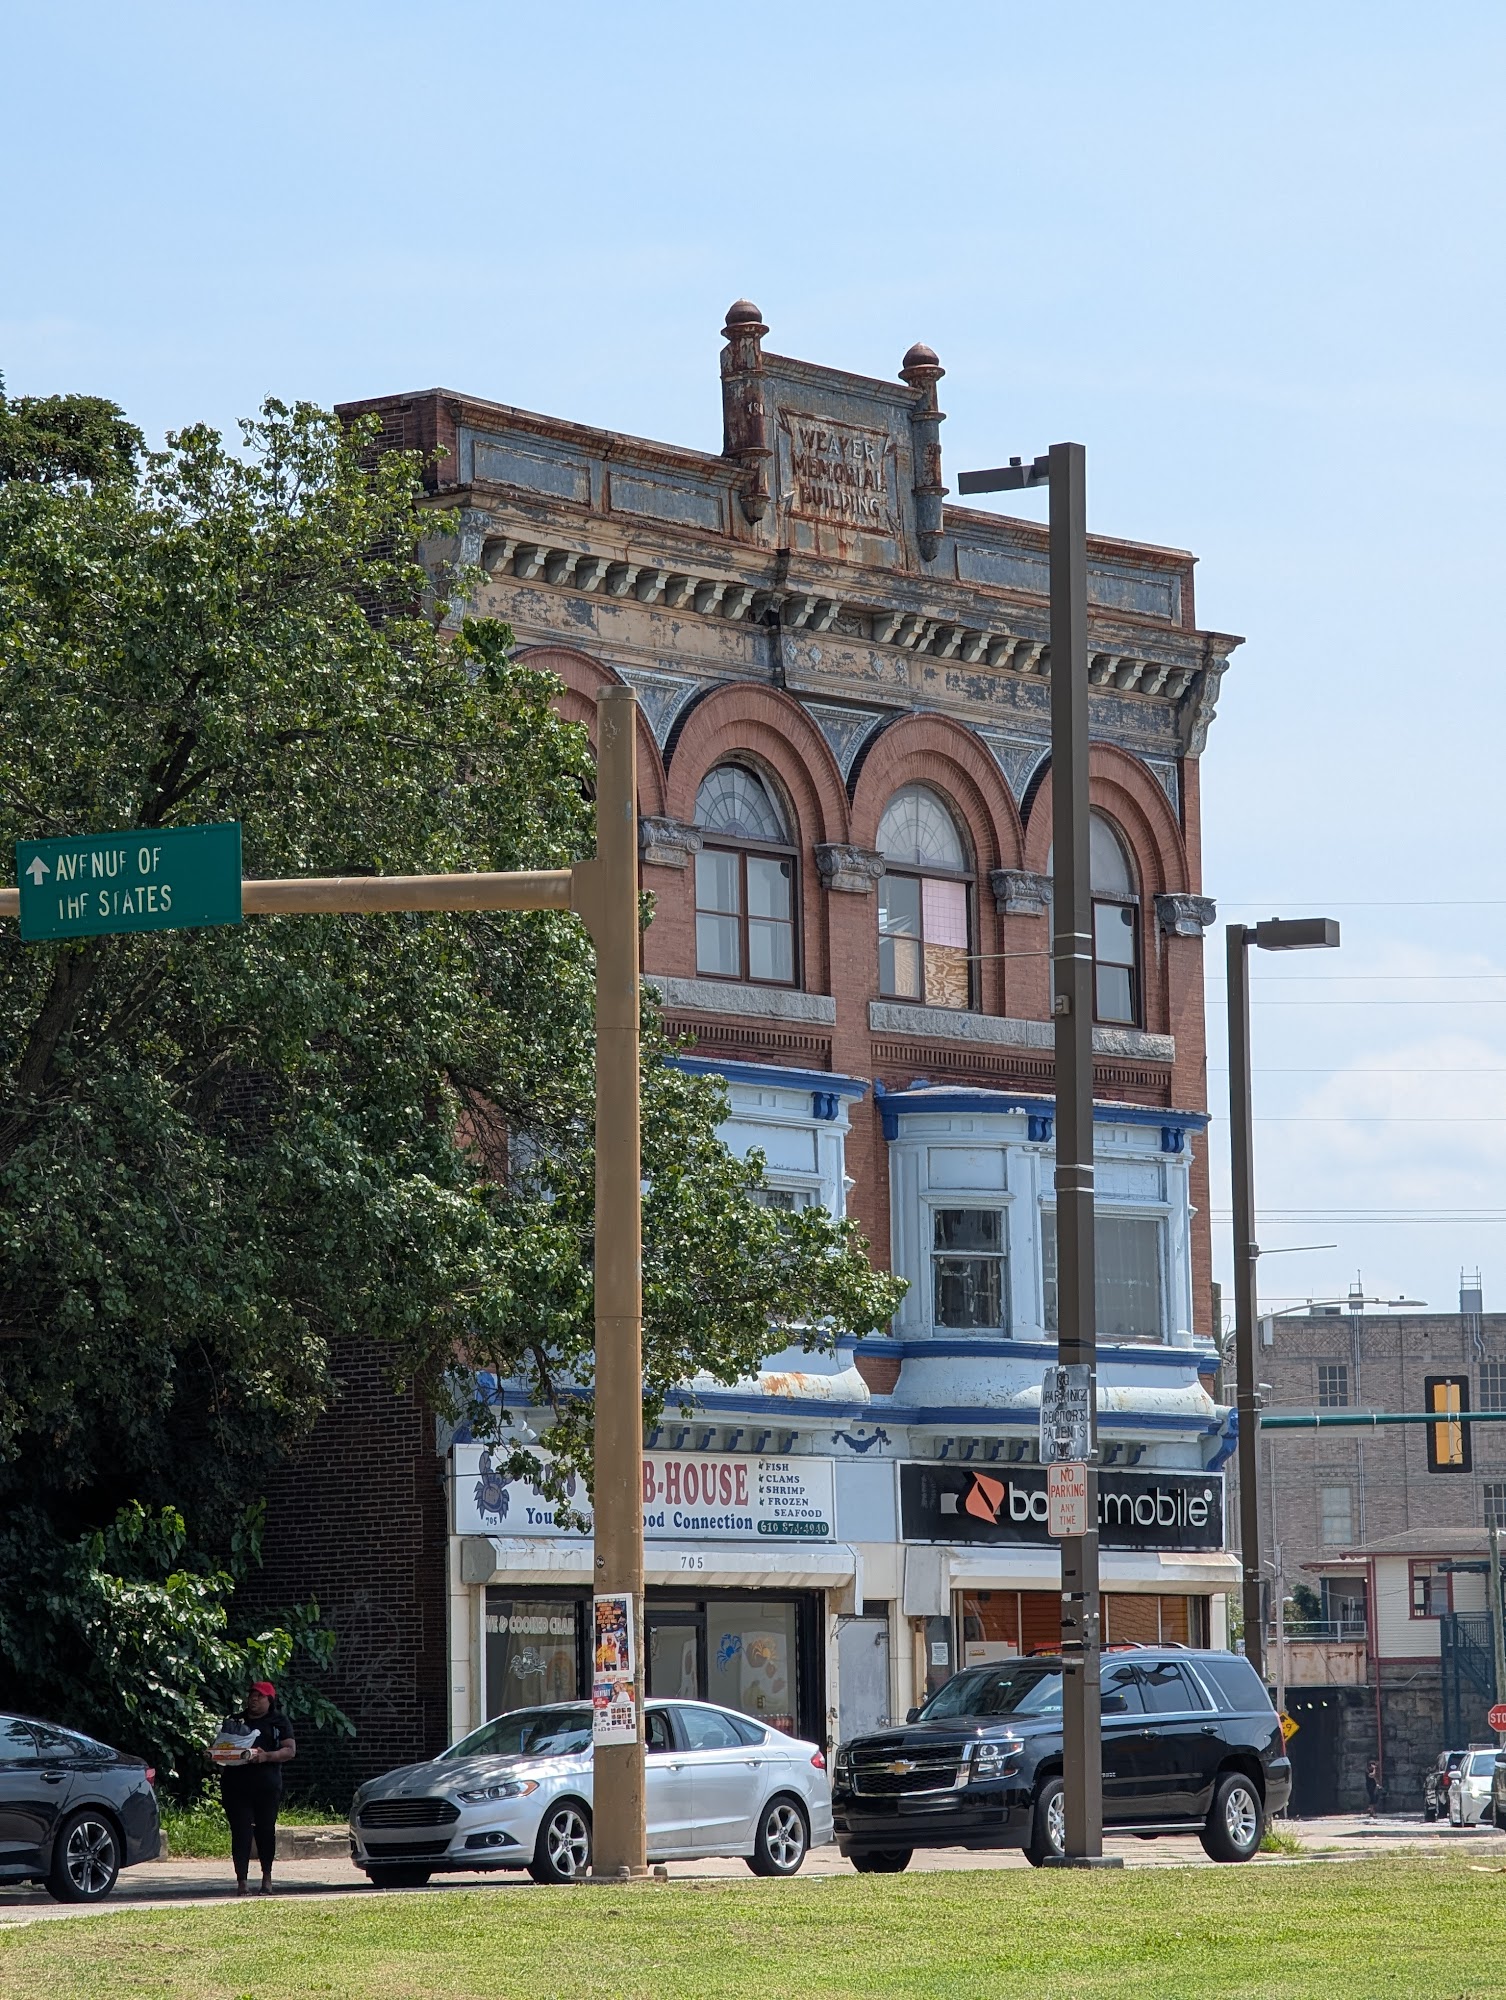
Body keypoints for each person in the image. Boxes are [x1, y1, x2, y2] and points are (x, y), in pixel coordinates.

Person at [218, 1680, 297, 1894]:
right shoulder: (236, 1720)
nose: (254, 1699)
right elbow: (223, 1746)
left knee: (265, 1831)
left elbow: (290, 1750)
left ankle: (267, 1879)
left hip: (266, 1785)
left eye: (259, 1696)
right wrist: (215, 1754)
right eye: (252, 1695)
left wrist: (266, 1757)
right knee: (241, 1832)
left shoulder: (278, 1721)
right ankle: (242, 1882)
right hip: (236, 1785)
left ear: (269, 1700)